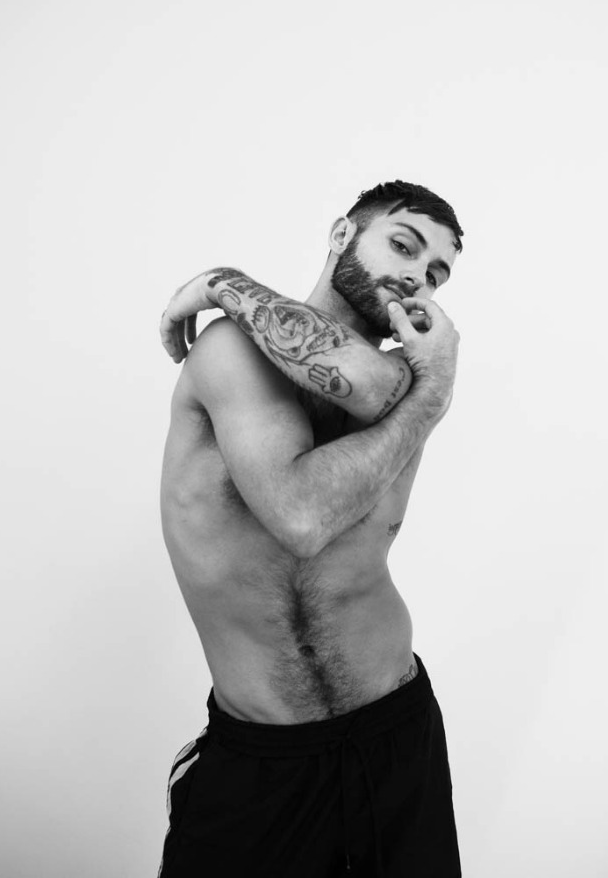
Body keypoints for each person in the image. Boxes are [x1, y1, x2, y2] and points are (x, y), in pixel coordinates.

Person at [156, 180, 464, 877]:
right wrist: (432, 398)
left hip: (398, 735)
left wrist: (220, 282)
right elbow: (301, 516)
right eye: (403, 245)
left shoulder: (398, 381)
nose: (416, 276)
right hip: (262, 765)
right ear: (341, 235)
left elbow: (370, 383)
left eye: (435, 274)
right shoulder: (230, 350)